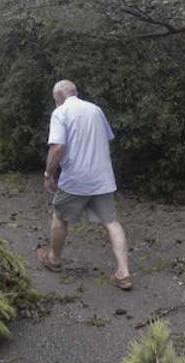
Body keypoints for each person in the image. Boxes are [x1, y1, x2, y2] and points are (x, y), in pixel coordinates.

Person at [36, 80, 132, 290]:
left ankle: (54, 259)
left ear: (59, 97)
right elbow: (105, 139)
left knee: (60, 217)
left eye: (55, 100)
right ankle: (123, 273)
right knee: (111, 222)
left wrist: (48, 174)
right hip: (102, 178)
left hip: (76, 180)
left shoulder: (60, 113)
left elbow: (57, 148)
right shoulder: (96, 110)